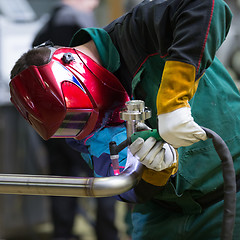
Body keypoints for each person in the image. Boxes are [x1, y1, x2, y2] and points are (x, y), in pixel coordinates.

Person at [9, 0, 240, 239]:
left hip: (231, 192)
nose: (88, 133)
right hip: (162, 214)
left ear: (77, 70)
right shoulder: (75, 122)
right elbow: (123, 184)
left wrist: (174, 101)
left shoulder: (137, 30)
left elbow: (207, 6)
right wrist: (157, 171)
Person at [31, 1, 120, 240]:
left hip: (49, 122)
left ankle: (62, 234)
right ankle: (107, 234)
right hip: (80, 120)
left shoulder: (46, 26)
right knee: (102, 175)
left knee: (61, 181)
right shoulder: (74, 22)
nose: (95, 3)